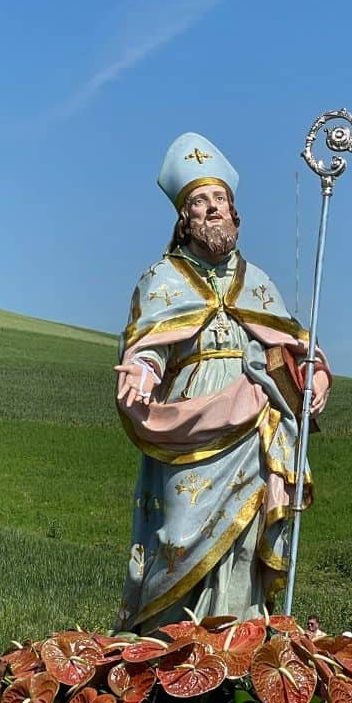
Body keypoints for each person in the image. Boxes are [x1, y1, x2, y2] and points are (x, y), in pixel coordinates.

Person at [115, 133, 331, 632]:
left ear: (234, 212)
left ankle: (238, 638)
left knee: (245, 539)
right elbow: (148, 347)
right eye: (199, 201)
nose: (212, 209)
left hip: (254, 416)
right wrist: (143, 373)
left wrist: (315, 374)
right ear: (183, 217)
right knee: (180, 536)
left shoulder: (256, 281)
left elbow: (296, 343)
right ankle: (167, 643)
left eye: (219, 199)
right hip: (190, 424)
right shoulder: (161, 279)